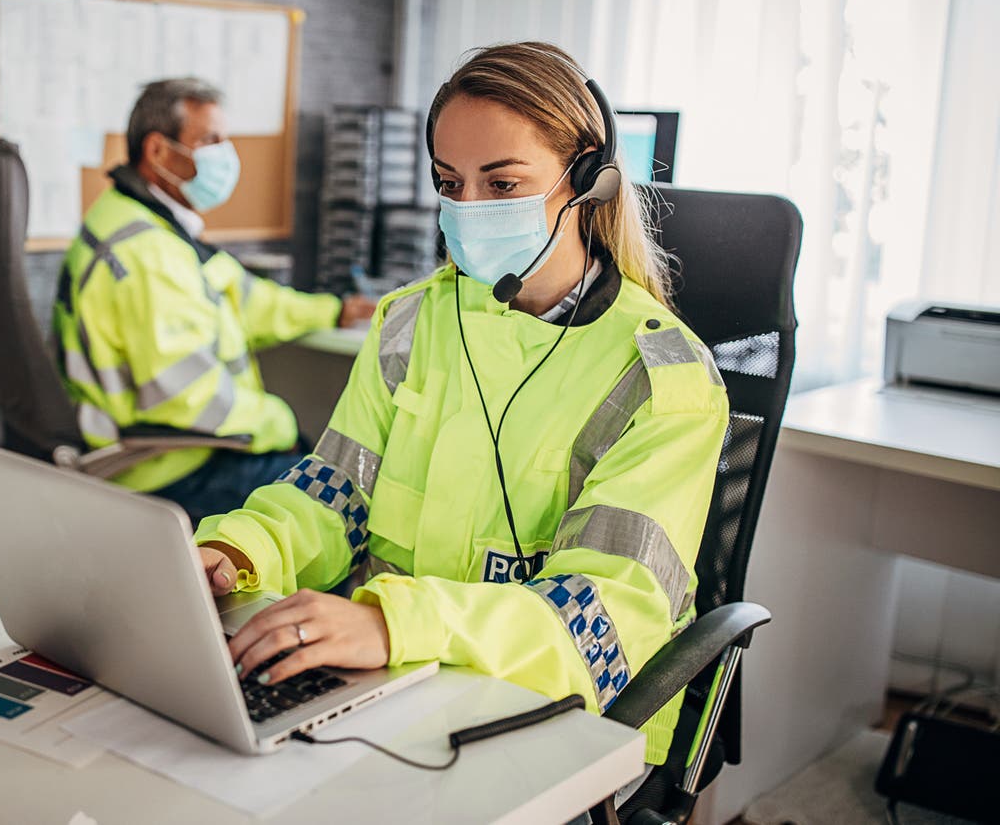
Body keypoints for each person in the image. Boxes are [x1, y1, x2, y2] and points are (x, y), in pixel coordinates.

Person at [192, 42, 729, 772]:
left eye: (503, 183)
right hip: (397, 686)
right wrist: (240, 550)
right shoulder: (412, 321)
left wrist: (393, 624)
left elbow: (605, 620)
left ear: (588, 181)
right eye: (450, 182)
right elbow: (331, 496)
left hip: (560, 715)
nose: (468, 210)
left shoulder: (663, 378)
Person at [52, 78, 375, 522]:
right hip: (165, 465)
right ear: (159, 152)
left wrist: (333, 310)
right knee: (333, 507)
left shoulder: (145, 219)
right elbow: (187, 396)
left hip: (177, 447)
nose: (225, 155)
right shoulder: (146, 254)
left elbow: (244, 298)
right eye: (209, 141)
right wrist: (279, 423)